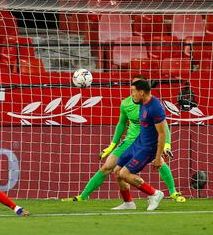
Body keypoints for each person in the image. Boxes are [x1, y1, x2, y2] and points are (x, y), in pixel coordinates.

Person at [62, 75, 185, 208]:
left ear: (142, 90)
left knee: (159, 161)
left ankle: (173, 193)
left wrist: (167, 144)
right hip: (130, 142)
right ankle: (86, 197)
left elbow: (163, 127)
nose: (133, 91)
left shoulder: (151, 104)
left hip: (146, 143)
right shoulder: (126, 103)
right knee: (109, 167)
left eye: (136, 87)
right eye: (132, 87)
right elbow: (121, 124)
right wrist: (111, 146)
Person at [114, 78, 166, 211]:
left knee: (125, 174)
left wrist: (158, 156)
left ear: (141, 92)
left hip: (148, 148)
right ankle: (128, 203)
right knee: (117, 171)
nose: (132, 94)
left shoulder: (156, 108)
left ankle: (155, 194)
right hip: (139, 143)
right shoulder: (142, 102)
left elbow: (162, 134)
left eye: (133, 91)